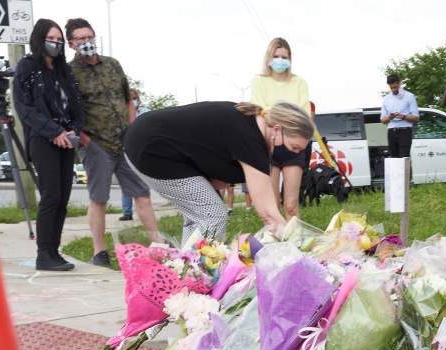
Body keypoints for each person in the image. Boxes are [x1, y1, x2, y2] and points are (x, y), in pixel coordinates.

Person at [123, 101, 312, 243]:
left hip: (144, 140)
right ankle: (197, 275)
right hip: (152, 148)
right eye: (294, 147)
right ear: (277, 130)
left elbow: (217, 180)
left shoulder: (252, 128)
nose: (294, 154)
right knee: (213, 214)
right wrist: (292, 245)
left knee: (200, 216)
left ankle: (188, 276)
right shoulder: (251, 139)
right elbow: (268, 213)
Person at [66, 18, 160, 267]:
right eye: (80, 39)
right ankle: (100, 252)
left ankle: (158, 244)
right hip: (96, 144)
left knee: (142, 194)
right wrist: (85, 141)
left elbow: (128, 99)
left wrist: (133, 129)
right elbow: (69, 112)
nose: (87, 42)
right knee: (99, 199)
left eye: (89, 36)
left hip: (125, 143)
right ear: (71, 43)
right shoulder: (70, 72)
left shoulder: (112, 65)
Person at [13, 19, 84, 271]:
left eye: (59, 40)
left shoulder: (65, 70)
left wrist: (73, 130)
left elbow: (77, 105)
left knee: (63, 197)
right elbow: (25, 108)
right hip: (42, 139)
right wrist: (53, 131)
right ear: (40, 38)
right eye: (51, 39)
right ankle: (44, 253)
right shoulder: (27, 67)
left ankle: (55, 251)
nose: (55, 43)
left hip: (67, 140)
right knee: (51, 196)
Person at [250, 37, 312, 219]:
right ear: (269, 57)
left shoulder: (299, 82)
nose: (280, 60)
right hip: (268, 146)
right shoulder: (259, 80)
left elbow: (304, 113)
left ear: (290, 59)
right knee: (273, 205)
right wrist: (288, 114)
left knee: (291, 205)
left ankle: (295, 242)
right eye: (276, 56)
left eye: (284, 57)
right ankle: (276, 243)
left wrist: (275, 112)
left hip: (293, 147)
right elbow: (259, 109)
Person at [380, 73, 418, 159]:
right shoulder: (386, 99)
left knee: (404, 159)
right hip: (391, 131)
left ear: (399, 83)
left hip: (405, 131)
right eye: (391, 87)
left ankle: (407, 172)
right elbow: (382, 120)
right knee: (394, 159)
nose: (393, 89)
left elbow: (416, 117)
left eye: (395, 87)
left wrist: (403, 116)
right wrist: (390, 117)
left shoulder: (409, 96)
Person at [120, 90, 143, 221]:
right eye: (130, 98)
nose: (133, 100)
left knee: (142, 185)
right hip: (127, 150)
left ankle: (143, 212)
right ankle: (127, 213)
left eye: (135, 98)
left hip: (141, 151)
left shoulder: (144, 111)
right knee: (127, 183)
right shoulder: (123, 114)